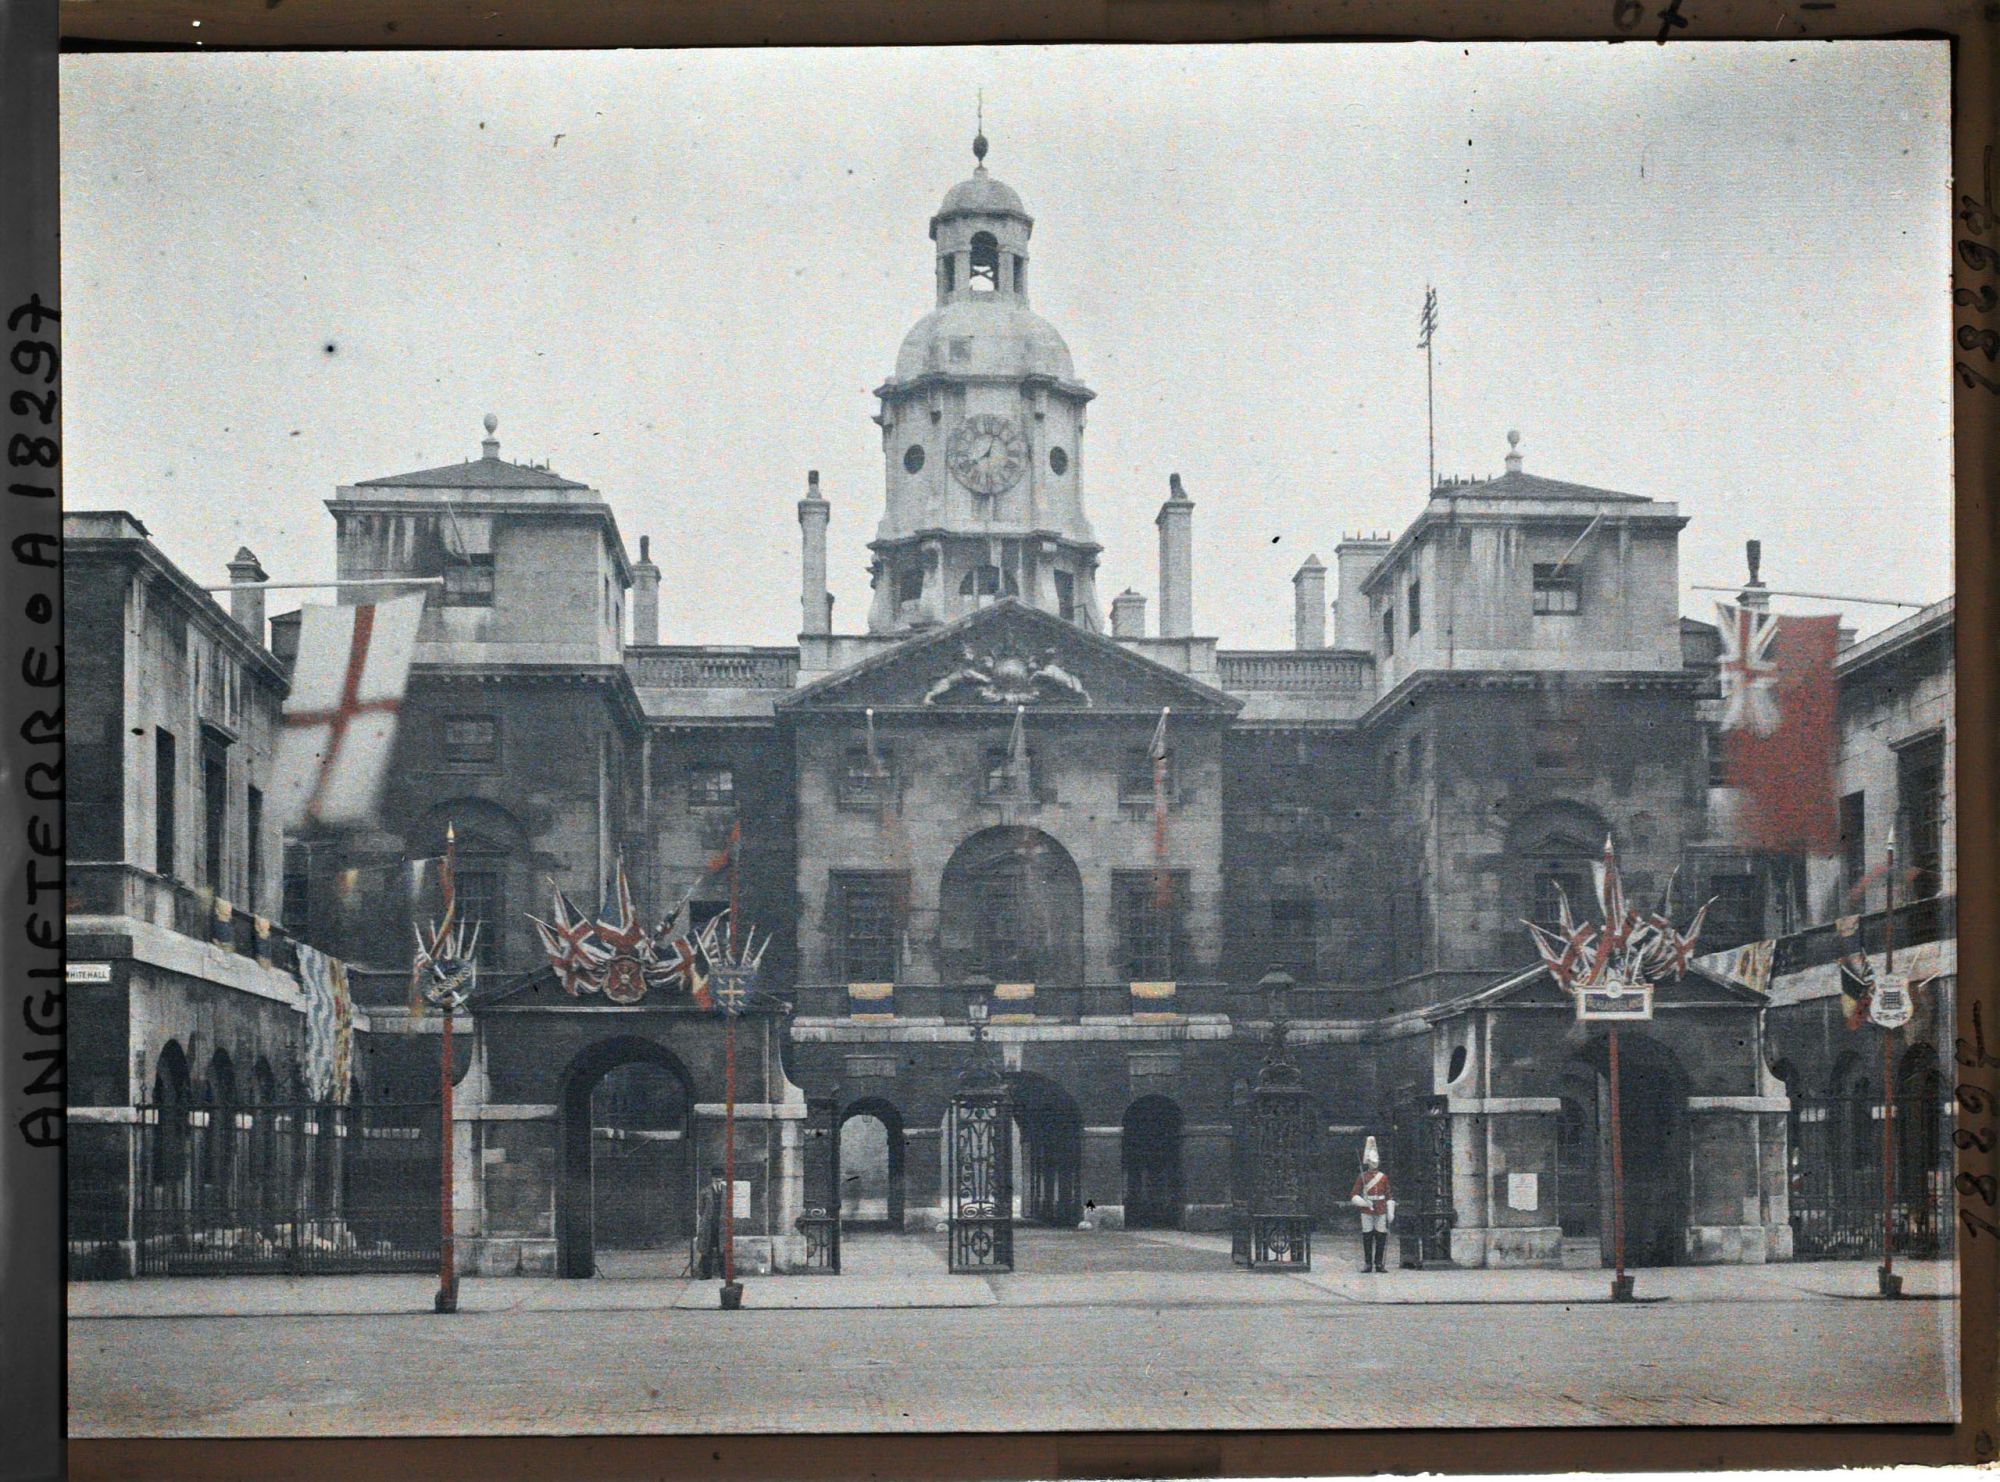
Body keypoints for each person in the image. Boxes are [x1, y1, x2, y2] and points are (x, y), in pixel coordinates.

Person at [1349, 1137, 1392, 1273]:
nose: (1374, 1164)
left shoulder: (1383, 1177)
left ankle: (1379, 1263)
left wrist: (1391, 1212)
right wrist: (1364, 1202)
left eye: (1376, 1161)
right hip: (1366, 1209)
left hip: (1380, 1208)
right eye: (1372, 1162)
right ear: (1368, 1162)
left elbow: (1389, 1195)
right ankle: (1368, 1264)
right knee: (1367, 1236)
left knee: (1381, 1236)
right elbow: (1354, 1194)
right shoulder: (1363, 1176)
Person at [695, 1165, 727, 1279]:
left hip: (722, 1225)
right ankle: (706, 1274)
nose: (718, 1179)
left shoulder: (727, 1191)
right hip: (709, 1224)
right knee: (706, 1249)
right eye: (715, 1177)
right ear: (712, 1178)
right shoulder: (705, 1192)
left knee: (723, 1249)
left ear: (722, 1178)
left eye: (720, 1177)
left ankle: (725, 1274)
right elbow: (700, 1209)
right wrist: (707, 1218)